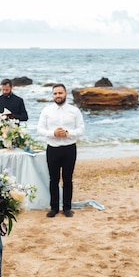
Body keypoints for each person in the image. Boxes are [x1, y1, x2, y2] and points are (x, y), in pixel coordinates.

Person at [36, 84, 85, 218]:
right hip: (52, 148)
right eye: (55, 93)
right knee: (53, 179)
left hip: (69, 148)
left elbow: (81, 129)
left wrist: (68, 133)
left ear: (65, 94)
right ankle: (54, 208)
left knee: (68, 179)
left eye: (60, 93)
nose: (58, 96)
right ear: (53, 95)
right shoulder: (47, 110)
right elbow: (39, 129)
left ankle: (67, 208)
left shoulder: (74, 111)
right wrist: (53, 133)